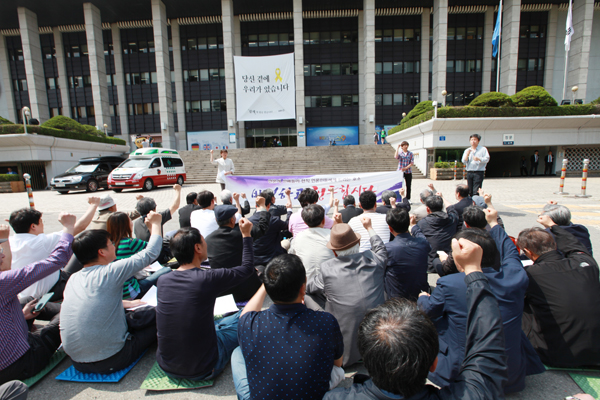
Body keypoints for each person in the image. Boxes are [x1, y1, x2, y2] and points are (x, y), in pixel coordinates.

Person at [324, 236, 508, 400]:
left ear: (367, 361)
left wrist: (473, 271)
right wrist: (474, 271)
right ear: (434, 363)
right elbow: (487, 348)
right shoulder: (471, 394)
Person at [419, 208, 544, 393]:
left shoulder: (450, 283)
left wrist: (422, 299)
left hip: (467, 379)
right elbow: (510, 251)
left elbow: (427, 311)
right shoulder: (515, 276)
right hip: (512, 374)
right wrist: (494, 224)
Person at [60, 212, 163, 374]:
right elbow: (151, 253)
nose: (114, 245)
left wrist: (128, 303)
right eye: (110, 244)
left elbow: (93, 302)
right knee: (162, 316)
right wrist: (156, 224)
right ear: (101, 252)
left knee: (136, 314)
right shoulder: (111, 271)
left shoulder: (74, 278)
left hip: (77, 362)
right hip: (111, 359)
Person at [232, 254, 345, 400]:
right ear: (303, 287)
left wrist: (266, 285)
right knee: (336, 370)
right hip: (314, 394)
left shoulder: (249, 324)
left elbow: (245, 313)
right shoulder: (325, 321)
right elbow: (338, 363)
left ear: (268, 286)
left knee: (237, 352)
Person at [155, 219, 256, 381]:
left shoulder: (163, 280)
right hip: (205, 367)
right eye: (203, 241)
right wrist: (246, 235)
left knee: (225, 322)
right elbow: (247, 268)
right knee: (248, 318)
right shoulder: (206, 278)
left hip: (166, 366)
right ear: (198, 248)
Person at [0, 214, 75, 385]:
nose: (3, 254)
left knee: (26, 301)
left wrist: (21, 316)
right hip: (22, 362)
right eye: (0, 250)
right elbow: (57, 260)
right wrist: (69, 227)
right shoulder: (3, 283)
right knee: (69, 314)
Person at [518, 216, 600, 367]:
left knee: (517, 304)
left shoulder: (530, 274)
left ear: (528, 252)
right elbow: (575, 245)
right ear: (555, 246)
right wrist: (553, 226)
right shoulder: (587, 263)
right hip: (597, 353)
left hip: (557, 355)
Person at [307, 217, 388, 367]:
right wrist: (369, 228)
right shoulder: (374, 259)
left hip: (346, 353)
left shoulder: (327, 268)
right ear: (358, 243)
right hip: (379, 325)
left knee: (307, 296)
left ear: (335, 252)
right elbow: (380, 248)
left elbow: (309, 287)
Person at [8, 197, 100, 301]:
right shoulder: (43, 242)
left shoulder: (9, 242)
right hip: (51, 292)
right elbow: (80, 227)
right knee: (81, 246)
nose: (43, 225)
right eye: (41, 222)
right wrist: (93, 205)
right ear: (33, 226)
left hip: (23, 295)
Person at [205, 200, 269, 302]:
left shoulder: (208, 239)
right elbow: (262, 227)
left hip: (223, 292)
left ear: (217, 220)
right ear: (232, 220)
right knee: (261, 267)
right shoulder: (242, 233)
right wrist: (263, 208)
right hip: (247, 289)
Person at [106, 212, 171, 299]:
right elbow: (155, 248)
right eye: (130, 220)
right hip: (131, 293)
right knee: (167, 270)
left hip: (115, 295)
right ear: (126, 225)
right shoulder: (130, 242)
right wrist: (152, 228)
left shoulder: (107, 245)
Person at [384, 208, 430, 301]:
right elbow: (422, 237)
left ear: (390, 228)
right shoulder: (423, 243)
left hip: (397, 298)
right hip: (421, 294)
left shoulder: (387, 248)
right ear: (408, 223)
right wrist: (414, 226)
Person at [412, 195, 459, 271]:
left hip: (429, 264)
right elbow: (451, 208)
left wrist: (413, 226)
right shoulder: (452, 219)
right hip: (450, 262)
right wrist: (442, 197)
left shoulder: (422, 223)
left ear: (427, 209)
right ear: (442, 207)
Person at [288, 204, 335, 280]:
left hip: (306, 283)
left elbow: (291, 258)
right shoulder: (332, 235)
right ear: (323, 220)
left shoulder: (298, 238)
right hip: (330, 281)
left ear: (305, 222)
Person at [248, 191, 293, 266]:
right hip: (273, 259)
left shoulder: (248, 221)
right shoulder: (274, 220)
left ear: (256, 206)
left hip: (255, 259)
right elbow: (288, 225)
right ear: (269, 205)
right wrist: (289, 210)